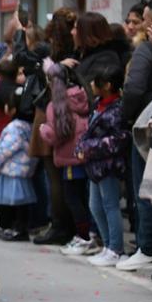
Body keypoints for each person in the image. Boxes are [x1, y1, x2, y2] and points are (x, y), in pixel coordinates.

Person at [40, 61, 96, 256]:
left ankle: (84, 237)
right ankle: (90, 234)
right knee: (85, 197)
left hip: (69, 156)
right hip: (86, 154)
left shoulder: (56, 104)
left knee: (73, 198)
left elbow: (56, 133)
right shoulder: (82, 96)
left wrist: (43, 130)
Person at [76, 65, 129, 267]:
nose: (91, 85)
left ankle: (116, 248)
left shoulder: (117, 110)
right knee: (95, 206)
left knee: (110, 206)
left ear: (106, 85)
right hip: (94, 166)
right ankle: (108, 245)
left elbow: (118, 140)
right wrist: (82, 147)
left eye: (95, 81)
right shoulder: (99, 104)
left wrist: (88, 148)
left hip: (109, 166)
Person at [119, 3, 152, 271]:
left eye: (143, 20)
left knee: (147, 189)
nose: (139, 25)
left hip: (147, 126)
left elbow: (133, 90)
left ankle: (147, 246)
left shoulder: (145, 49)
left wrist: (126, 116)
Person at [0, 88, 37, 242]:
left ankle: (16, 229)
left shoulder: (15, 128)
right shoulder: (30, 126)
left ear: (14, 109)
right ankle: (20, 228)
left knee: (11, 203)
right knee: (21, 204)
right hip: (24, 169)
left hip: (12, 170)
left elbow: (6, 148)